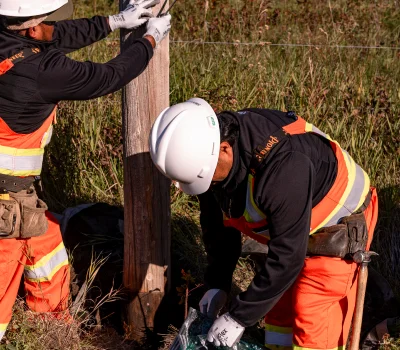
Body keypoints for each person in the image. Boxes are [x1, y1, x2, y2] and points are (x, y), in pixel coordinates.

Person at [0, 0, 171, 341]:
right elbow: (108, 76)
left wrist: (113, 22)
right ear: (31, 29)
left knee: (46, 247)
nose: (51, 27)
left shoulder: (10, 39)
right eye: (45, 22)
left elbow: (56, 35)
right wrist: (149, 40)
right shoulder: (40, 72)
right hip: (6, 204)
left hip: (20, 199)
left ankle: (49, 331)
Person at [149, 98, 378, 349]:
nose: (208, 186)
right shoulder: (207, 156)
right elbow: (219, 229)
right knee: (279, 314)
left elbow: (287, 257)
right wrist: (218, 284)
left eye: (205, 179)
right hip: (291, 224)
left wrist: (238, 317)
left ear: (224, 149)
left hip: (337, 228)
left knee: (311, 318)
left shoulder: (282, 168)